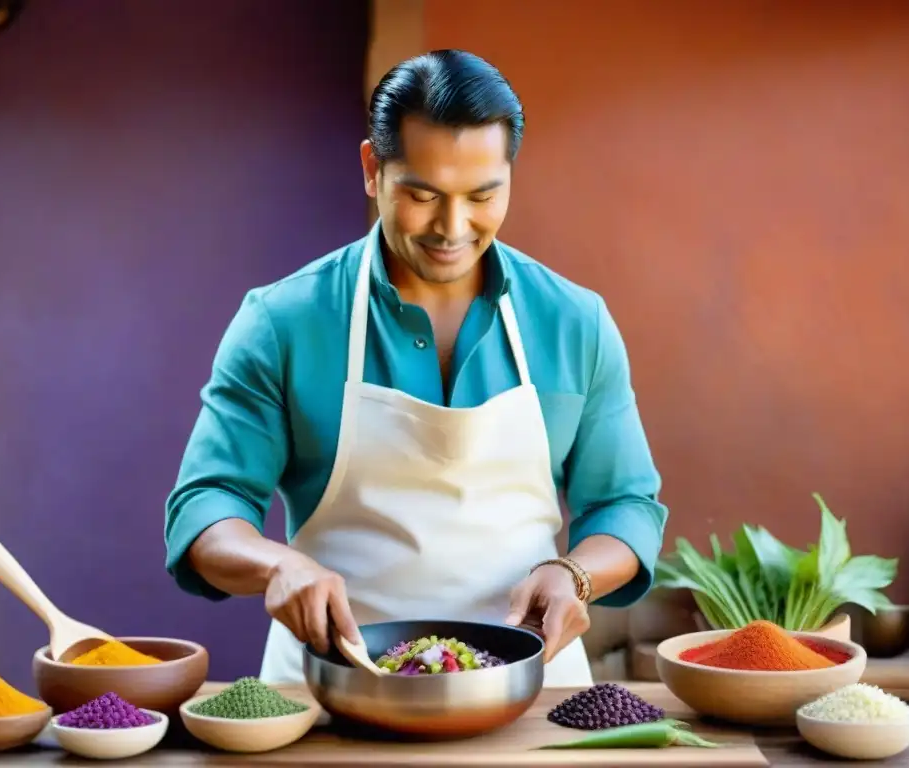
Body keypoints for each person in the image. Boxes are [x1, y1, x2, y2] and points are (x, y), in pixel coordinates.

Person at [163, 49, 669, 687]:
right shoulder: (283, 322)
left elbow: (625, 503)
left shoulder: (574, 322)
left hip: (531, 692)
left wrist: (574, 574)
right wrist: (275, 565)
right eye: (423, 195)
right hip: (332, 689)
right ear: (373, 169)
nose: (453, 228)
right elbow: (206, 503)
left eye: (483, 195)